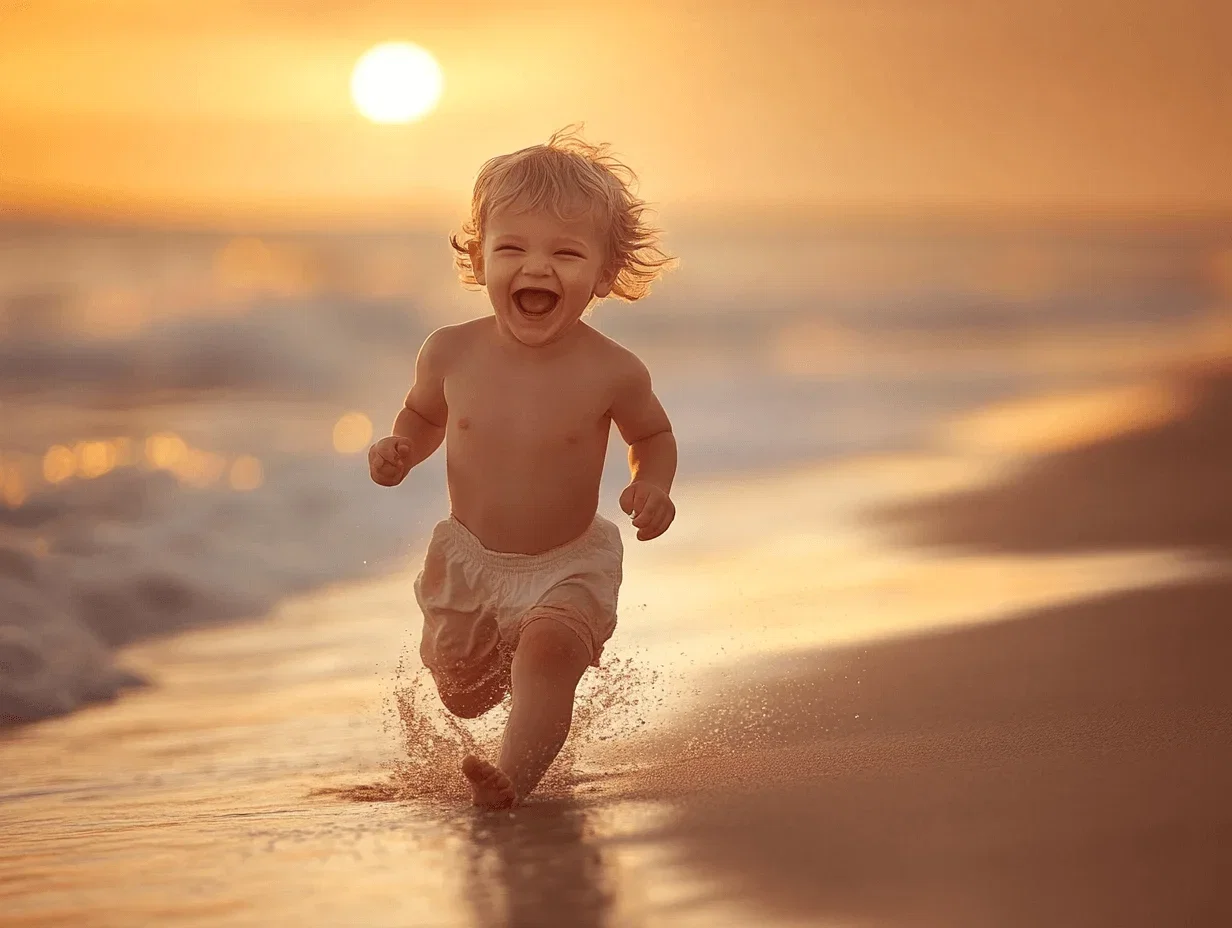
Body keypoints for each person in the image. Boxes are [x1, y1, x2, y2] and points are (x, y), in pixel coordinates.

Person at [368, 126, 678, 809]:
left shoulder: (612, 369)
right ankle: (496, 701)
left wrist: (651, 481)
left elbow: (651, 433)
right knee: (464, 693)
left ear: (603, 274)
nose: (536, 267)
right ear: (479, 260)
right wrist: (399, 450)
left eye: (566, 253)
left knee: (547, 656)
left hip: (570, 563)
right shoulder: (449, 354)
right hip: (470, 562)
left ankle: (513, 778)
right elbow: (422, 419)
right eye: (512, 248)